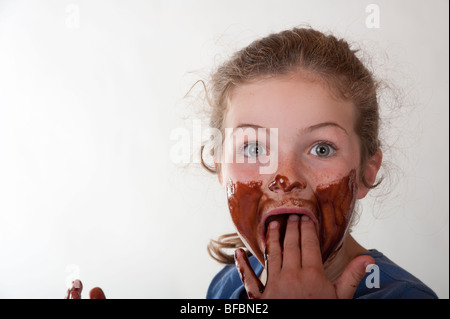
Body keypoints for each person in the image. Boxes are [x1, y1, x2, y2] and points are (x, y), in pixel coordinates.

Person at [202, 27, 438, 299]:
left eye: (322, 149)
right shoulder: (226, 285)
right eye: (254, 148)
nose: (286, 177)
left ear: (366, 171)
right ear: (220, 167)